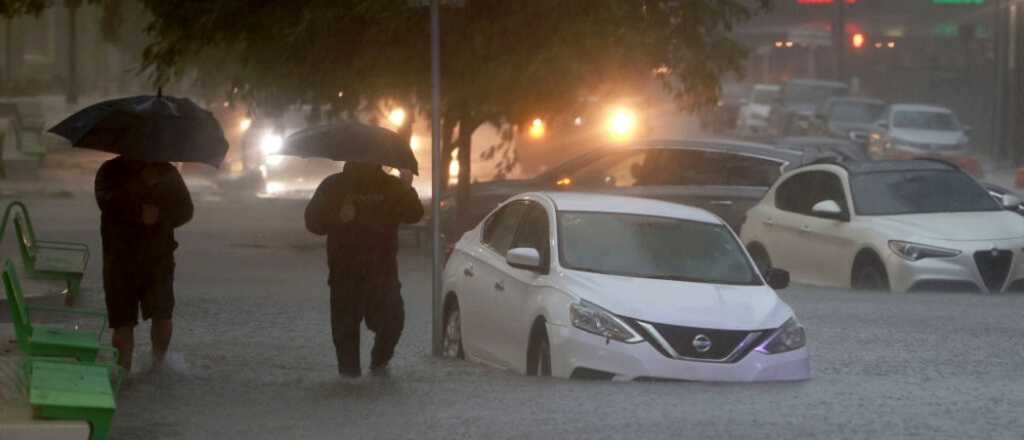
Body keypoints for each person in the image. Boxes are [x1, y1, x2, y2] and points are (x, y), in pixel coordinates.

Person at [305, 162, 424, 378]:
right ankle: (349, 384)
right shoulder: (333, 186)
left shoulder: (392, 187)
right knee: (346, 335)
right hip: (344, 273)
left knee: (392, 321)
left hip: (383, 272)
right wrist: (338, 217)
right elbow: (312, 222)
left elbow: (414, 214)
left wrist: (407, 188)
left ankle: (378, 365)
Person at [95, 156, 193, 372]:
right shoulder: (110, 171)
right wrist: (139, 192)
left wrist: (160, 215)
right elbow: (106, 202)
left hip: (157, 257)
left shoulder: (167, 173)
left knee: (162, 313)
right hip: (120, 259)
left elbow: (186, 210)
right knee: (122, 321)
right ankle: (123, 372)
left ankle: (158, 365)